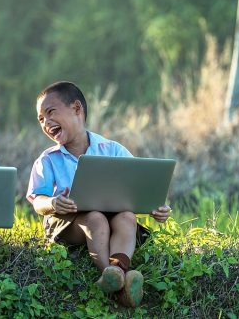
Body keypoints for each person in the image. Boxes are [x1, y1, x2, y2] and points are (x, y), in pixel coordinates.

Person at [27, 81, 171, 308]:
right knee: (95, 218)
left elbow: (138, 186)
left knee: (127, 217)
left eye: (50, 112)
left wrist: (156, 207)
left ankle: (117, 271)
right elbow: (37, 201)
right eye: (41, 119)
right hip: (68, 223)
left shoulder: (112, 149)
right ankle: (111, 274)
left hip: (111, 217)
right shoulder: (48, 159)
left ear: (76, 108)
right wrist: (53, 203)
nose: (46, 122)